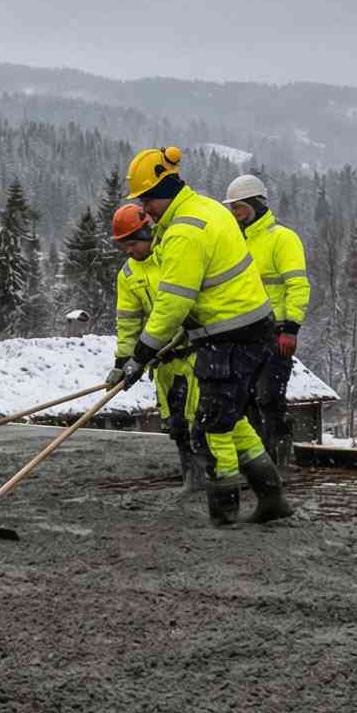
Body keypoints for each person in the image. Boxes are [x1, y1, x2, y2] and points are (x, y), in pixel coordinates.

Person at [111, 146, 290, 526]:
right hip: (247, 331)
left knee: (211, 426)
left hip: (230, 337)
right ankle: (272, 499)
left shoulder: (183, 232)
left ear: (161, 191)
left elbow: (173, 304)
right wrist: (145, 354)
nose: (145, 209)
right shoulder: (207, 208)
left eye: (145, 199)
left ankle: (224, 515)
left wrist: (139, 357)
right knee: (235, 419)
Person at [109, 202, 205, 492]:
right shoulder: (128, 276)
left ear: (148, 233)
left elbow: (191, 298)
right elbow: (127, 324)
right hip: (161, 362)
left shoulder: (172, 256)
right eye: (124, 247)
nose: (129, 252)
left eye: (132, 244)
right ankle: (191, 477)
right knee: (176, 425)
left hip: (195, 353)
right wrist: (122, 364)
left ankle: (212, 477)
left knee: (201, 421)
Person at [222, 173, 311, 470]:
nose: (235, 214)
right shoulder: (235, 242)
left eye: (240, 208)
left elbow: (297, 285)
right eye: (233, 209)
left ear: (256, 204)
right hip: (243, 335)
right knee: (245, 400)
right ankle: (257, 462)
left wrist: (290, 328)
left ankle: (278, 462)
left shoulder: (282, 239)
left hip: (275, 335)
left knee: (269, 399)